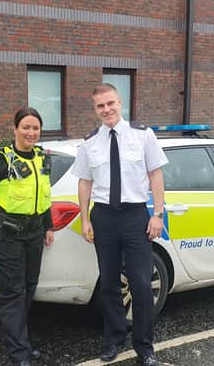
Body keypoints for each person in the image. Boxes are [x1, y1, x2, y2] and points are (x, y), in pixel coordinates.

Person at [71, 84, 167, 366]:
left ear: (120, 102)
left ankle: (145, 348)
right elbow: (84, 181)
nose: (106, 109)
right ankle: (113, 339)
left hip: (135, 216)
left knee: (140, 283)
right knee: (110, 284)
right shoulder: (90, 142)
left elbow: (156, 175)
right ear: (95, 109)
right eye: (100, 106)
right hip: (104, 217)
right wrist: (85, 218)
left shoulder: (142, 135)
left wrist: (157, 214)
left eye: (110, 103)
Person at [0, 107, 55, 366]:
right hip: (6, 235)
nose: (31, 132)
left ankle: (19, 342)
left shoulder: (43, 158)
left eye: (36, 128)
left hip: (34, 235)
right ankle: (19, 354)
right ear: (15, 129)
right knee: (11, 292)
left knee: (28, 288)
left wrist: (49, 226)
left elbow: (44, 197)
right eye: (26, 127)